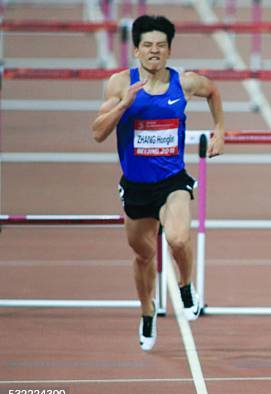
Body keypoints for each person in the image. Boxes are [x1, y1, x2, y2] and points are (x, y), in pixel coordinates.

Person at [91, 15, 225, 351]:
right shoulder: (121, 84)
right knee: (143, 256)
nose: (155, 51)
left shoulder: (185, 82)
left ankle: (185, 286)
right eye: (148, 45)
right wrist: (123, 105)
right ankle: (147, 310)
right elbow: (97, 132)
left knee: (179, 239)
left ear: (169, 50)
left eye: (161, 46)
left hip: (172, 181)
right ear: (136, 50)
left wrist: (220, 129)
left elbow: (213, 91)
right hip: (136, 187)